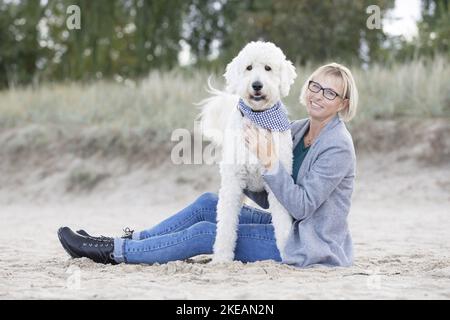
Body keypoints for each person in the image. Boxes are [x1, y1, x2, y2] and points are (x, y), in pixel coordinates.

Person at [58, 62, 358, 268]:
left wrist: (268, 161)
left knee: (205, 232)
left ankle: (113, 253)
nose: (319, 95)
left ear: (343, 104)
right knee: (208, 203)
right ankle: (127, 239)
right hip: (287, 225)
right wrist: (240, 164)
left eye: (330, 92)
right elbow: (271, 194)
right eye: (315, 86)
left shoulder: (338, 146)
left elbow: (302, 206)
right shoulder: (295, 129)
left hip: (309, 244)